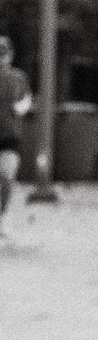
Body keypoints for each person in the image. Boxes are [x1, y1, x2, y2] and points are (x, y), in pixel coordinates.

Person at [0, 30, 24, 244]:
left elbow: (24, 104)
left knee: (7, 175)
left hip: (9, 135)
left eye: (4, 53)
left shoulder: (18, 78)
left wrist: (19, 106)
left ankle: (3, 216)